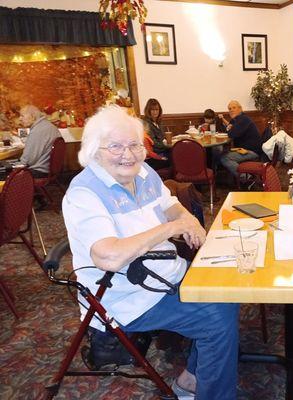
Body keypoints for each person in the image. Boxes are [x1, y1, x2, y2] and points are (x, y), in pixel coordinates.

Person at [62, 105, 239, 400]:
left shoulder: (142, 173)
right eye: (115, 146)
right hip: (127, 297)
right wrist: (172, 229)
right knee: (217, 319)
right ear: (94, 151)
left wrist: (188, 220)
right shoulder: (84, 194)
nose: (127, 154)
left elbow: (169, 205)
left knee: (227, 288)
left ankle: (192, 380)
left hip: (165, 272)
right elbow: (108, 256)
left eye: (133, 145)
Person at [217, 100, 262, 178]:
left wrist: (230, 129)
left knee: (224, 158)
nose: (231, 110)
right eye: (229, 109)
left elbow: (231, 134)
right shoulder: (235, 120)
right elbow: (228, 131)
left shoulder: (243, 119)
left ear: (240, 109)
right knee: (219, 153)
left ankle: (246, 178)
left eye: (234, 108)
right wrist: (230, 129)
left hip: (252, 151)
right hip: (242, 149)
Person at [18, 104, 61, 178]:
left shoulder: (38, 130)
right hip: (49, 169)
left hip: (39, 171)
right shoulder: (47, 125)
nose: (20, 119)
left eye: (22, 116)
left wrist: (14, 166)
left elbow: (28, 160)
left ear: (33, 116)